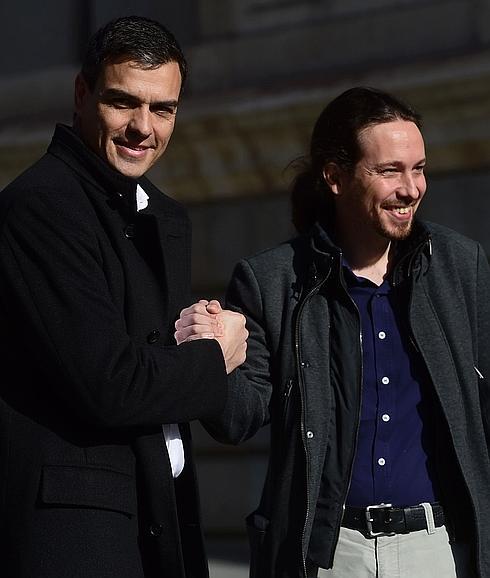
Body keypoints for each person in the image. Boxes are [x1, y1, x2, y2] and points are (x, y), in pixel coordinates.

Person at [175, 87, 490, 577]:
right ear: (335, 177)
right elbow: (237, 421)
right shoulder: (274, 280)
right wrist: (213, 353)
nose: (411, 188)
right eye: (389, 171)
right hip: (328, 554)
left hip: (439, 549)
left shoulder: (458, 265)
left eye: (419, 168)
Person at [0, 15, 247, 578]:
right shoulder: (41, 208)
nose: (143, 127)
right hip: (72, 538)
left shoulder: (163, 216)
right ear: (82, 94)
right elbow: (110, 384)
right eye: (122, 102)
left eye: (163, 109)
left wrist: (200, 334)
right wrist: (216, 355)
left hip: (161, 519)